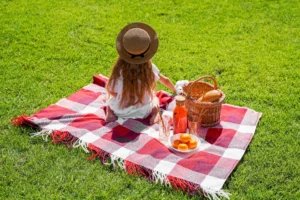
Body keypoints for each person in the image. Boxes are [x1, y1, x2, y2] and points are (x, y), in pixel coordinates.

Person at [105, 22, 176, 124]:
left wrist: (125, 94)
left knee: (110, 99)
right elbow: (165, 80)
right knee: (154, 99)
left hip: (121, 110)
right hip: (143, 111)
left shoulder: (119, 70)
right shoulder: (149, 68)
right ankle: (155, 114)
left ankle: (110, 112)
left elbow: (111, 91)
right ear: (147, 51)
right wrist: (175, 90)